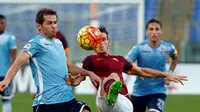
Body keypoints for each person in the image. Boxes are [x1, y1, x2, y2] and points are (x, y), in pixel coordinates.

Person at [0, 8, 101, 112]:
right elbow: (19, 61)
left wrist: (89, 73)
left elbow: (70, 67)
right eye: (49, 23)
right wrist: (7, 79)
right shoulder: (35, 43)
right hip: (48, 104)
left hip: (68, 99)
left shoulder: (58, 43)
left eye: (55, 22)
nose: (53, 26)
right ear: (39, 26)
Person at [66, 26, 187, 112]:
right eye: (97, 40)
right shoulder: (90, 60)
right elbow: (78, 79)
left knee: (113, 76)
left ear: (108, 42)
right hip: (103, 101)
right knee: (112, 77)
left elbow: (142, 71)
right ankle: (110, 93)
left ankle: (113, 94)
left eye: (103, 39)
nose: (100, 43)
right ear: (92, 44)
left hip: (124, 103)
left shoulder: (119, 60)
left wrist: (165, 74)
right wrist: (72, 81)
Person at [126, 19, 179, 112]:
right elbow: (126, 64)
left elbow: (175, 58)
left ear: (161, 31)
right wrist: (137, 72)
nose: (154, 32)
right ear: (147, 31)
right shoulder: (139, 48)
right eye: (151, 29)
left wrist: (169, 73)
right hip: (139, 92)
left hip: (158, 91)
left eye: (157, 29)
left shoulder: (168, 47)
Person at [0, 14, 17, 112]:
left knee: (6, 99)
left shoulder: (9, 37)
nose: (3, 25)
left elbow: (13, 56)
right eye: (1, 23)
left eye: (3, 23)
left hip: (5, 75)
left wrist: (11, 73)